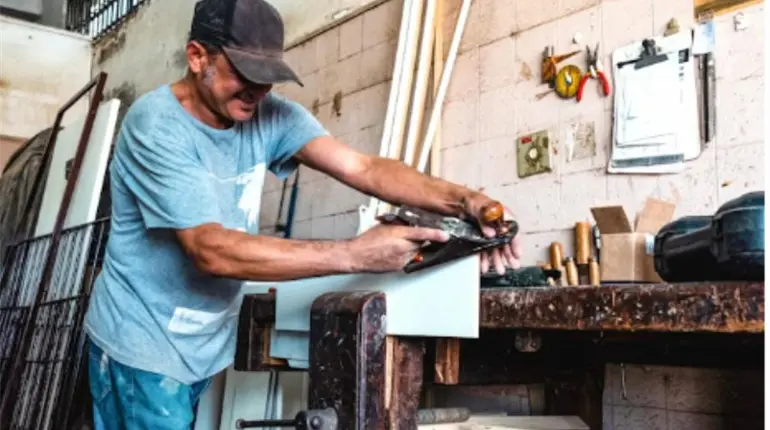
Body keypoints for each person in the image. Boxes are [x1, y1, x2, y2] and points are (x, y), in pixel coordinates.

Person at [83, 0, 523, 428]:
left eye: (267, 78)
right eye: (244, 74)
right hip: (141, 342)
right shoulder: (156, 125)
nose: (257, 91)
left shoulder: (268, 115)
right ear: (197, 57)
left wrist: (468, 201)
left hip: (203, 342)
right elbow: (209, 249)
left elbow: (363, 168)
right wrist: (356, 254)